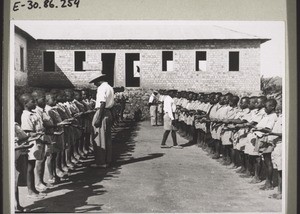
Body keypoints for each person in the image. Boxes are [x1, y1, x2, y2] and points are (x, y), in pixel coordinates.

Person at [19, 93, 47, 199]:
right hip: (32, 144)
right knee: (30, 167)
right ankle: (30, 191)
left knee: (33, 165)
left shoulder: (34, 113)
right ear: (25, 104)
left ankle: (34, 189)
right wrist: (40, 134)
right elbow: (30, 133)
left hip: (38, 142)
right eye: (32, 101)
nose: (35, 103)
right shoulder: (26, 116)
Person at [90, 74, 114, 168]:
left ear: (99, 81)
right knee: (107, 138)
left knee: (99, 138)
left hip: (102, 112)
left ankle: (101, 162)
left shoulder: (101, 88)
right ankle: (107, 159)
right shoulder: (110, 88)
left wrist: (98, 118)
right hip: (108, 112)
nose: (95, 85)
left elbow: (102, 103)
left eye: (95, 82)